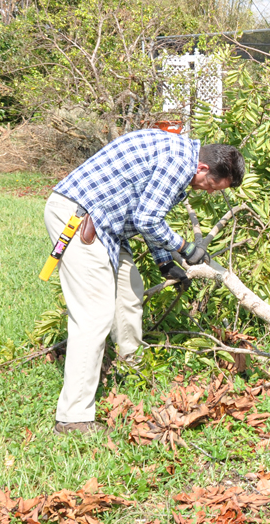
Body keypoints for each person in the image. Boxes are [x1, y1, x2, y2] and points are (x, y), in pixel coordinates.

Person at [42, 128, 244, 435]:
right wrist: (184, 248)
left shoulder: (180, 156)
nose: (209, 192)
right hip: (79, 217)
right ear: (203, 168)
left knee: (130, 292)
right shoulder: (178, 162)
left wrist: (165, 262)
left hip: (108, 227)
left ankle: (132, 370)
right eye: (212, 185)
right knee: (93, 315)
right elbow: (147, 219)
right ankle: (73, 417)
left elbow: (145, 215)